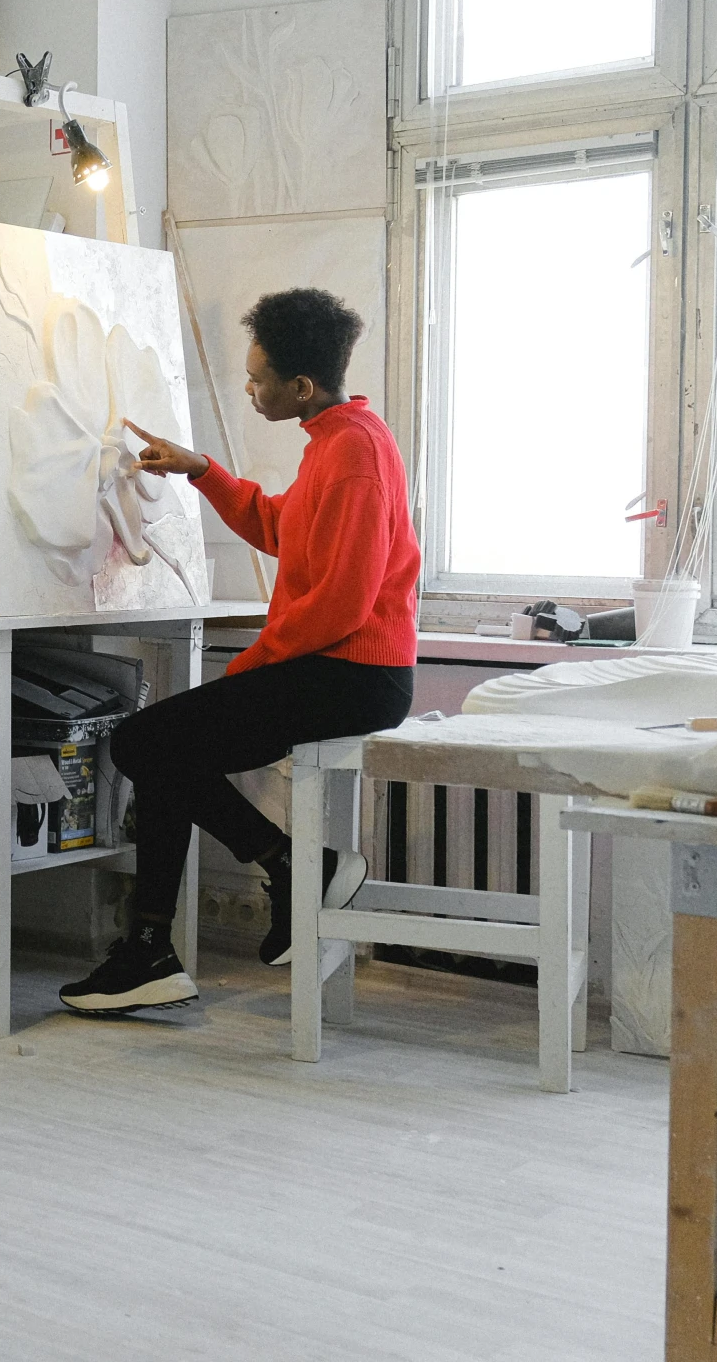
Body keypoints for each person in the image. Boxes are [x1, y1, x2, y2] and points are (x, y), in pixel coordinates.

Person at [59, 288, 418, 1014]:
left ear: (301, 386)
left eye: (258, 379)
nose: (249, 389)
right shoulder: (334, 439)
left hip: (356, 674)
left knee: (143, 741)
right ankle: (160, 943)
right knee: (162, 747)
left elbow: (342, 603)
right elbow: (279, 526)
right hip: (338, 666)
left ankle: (287, 872)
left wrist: (255, 660)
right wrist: (201, 470)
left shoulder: (353, 451)